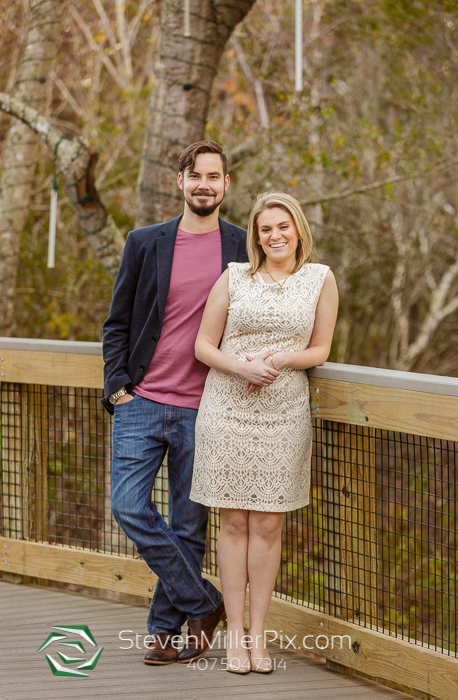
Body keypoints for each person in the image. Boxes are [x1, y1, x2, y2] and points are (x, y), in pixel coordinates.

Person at [102, 140, 248, 665]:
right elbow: (117, 321)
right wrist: (117, 386)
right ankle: (204, 603)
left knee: (190, 525)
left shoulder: (242, 247)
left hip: (207, 407)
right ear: (180, 182)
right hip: (141, 399)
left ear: (226, 185)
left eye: (214, 176)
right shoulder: (145, 242)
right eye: (195, 175)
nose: (204, 184)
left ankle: (166, 632)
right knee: (128, 506)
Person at [191, 191, 339, 674]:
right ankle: (235, 636)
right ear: (255, 236)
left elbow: (319, 349)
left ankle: (259, 638)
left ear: (298, 229)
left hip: (283, 411)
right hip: (228, 407)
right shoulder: (235, 278)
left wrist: (278, 359)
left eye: (282, 226)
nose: (274, 235)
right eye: (265, 229)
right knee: (233, 522)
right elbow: (203, 346)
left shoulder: (320, 279)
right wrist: (241, 367)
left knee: (269, 524)